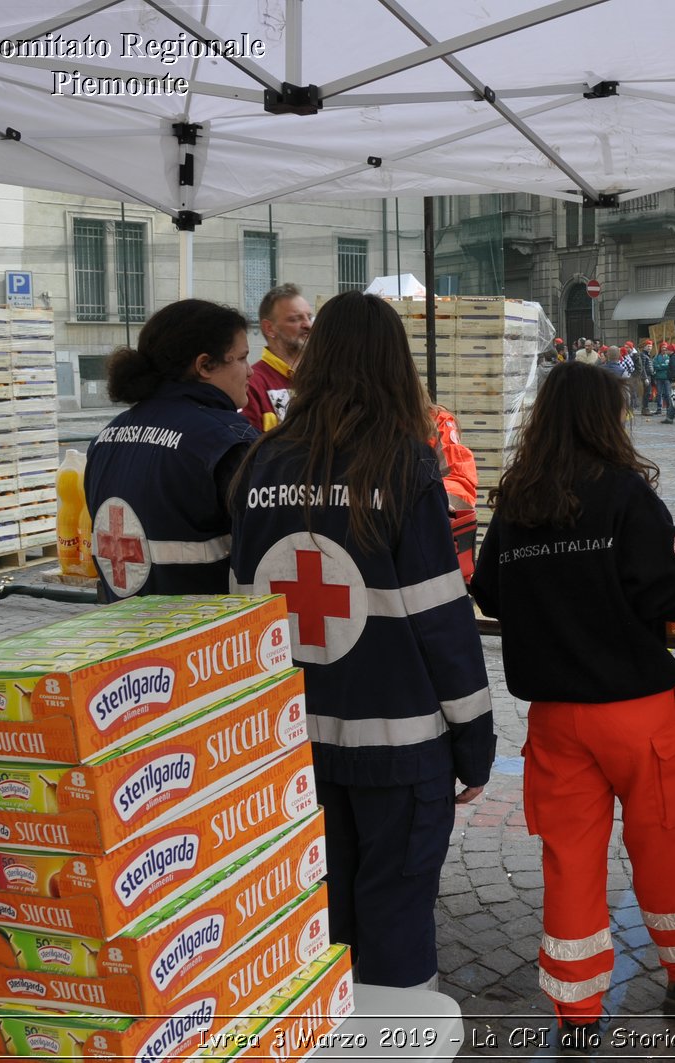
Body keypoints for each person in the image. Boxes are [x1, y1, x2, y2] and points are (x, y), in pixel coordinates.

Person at [229, 291, 494, 990]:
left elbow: (240, 608)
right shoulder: (405, 463)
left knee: (321, 912)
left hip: (294, 740)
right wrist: (475, 740)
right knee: (398, 914)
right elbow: (441, 615)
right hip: (398, 745)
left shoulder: (259, 462)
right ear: (392, 362)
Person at [469, 362, 675, 1049]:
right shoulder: (626, 494)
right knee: (660, 845)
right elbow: (671, 593)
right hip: (638, 710)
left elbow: (490, 592)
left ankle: (577, 1013)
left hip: (556, 717)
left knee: (570, 860)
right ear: (605, 417)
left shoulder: (520, 498)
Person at [85, 299, 257, 600]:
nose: (251, 372)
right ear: (205, 365)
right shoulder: (227, 441)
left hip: (123, 632)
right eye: (242, 358)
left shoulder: (106, 437)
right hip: (205, 635)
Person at [241, 283, 314, 430]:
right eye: (295, 319)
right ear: (269, 328)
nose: (308, 325)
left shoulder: (323, 377)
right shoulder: (252, 384)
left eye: (309, 317)